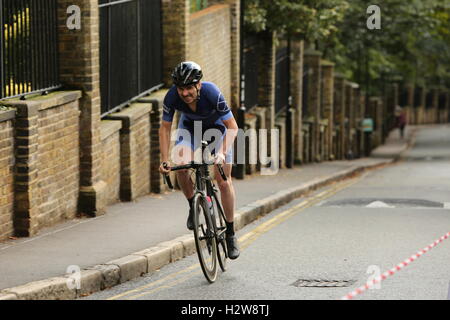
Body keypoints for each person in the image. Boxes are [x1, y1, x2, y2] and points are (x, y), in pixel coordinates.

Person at [158, 61, 240, 260]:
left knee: (223, 180)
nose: (184, 93)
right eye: (181, 89)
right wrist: (164, 159)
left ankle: (230, 233)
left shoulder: (212, 92)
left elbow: (233, 127)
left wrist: (221, 153)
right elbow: (165, 128)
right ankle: (192, 206)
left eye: (188, 88)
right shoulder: (171, 97)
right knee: (181, 167)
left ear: (198, 85)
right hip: (189, 129)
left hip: (218, 130)